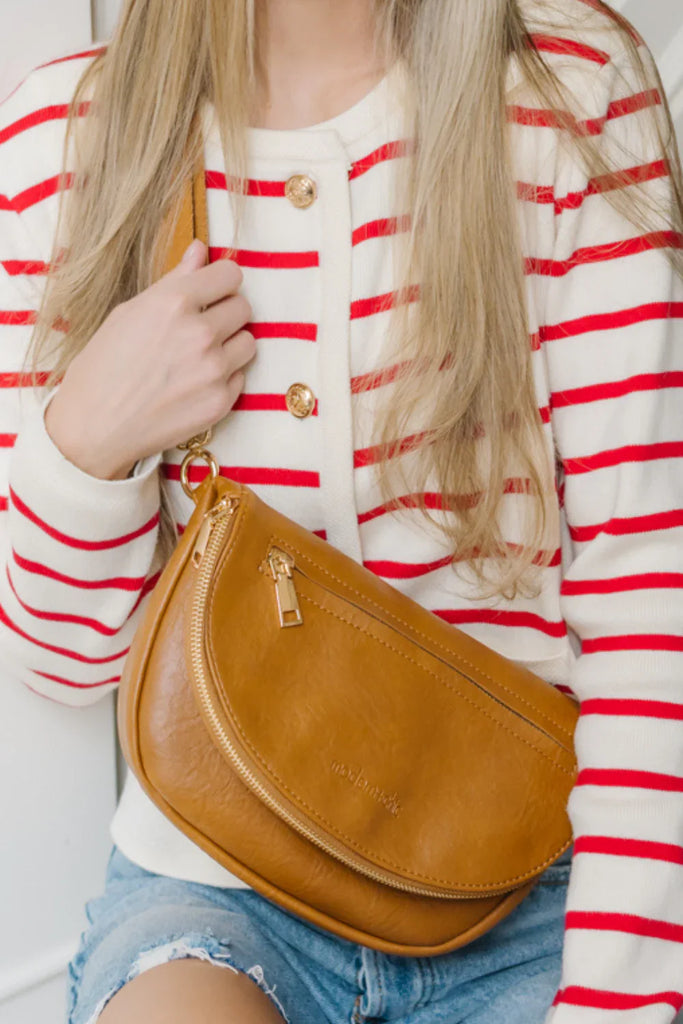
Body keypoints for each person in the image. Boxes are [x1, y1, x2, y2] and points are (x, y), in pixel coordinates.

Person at [0, 0, 682, 1020]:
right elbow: (63, 660)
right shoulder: (69, 136)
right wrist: (88, 438)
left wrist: (613, 1001)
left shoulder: (567, 93)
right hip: (216, 877)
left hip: (534, 882)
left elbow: (649, 608)